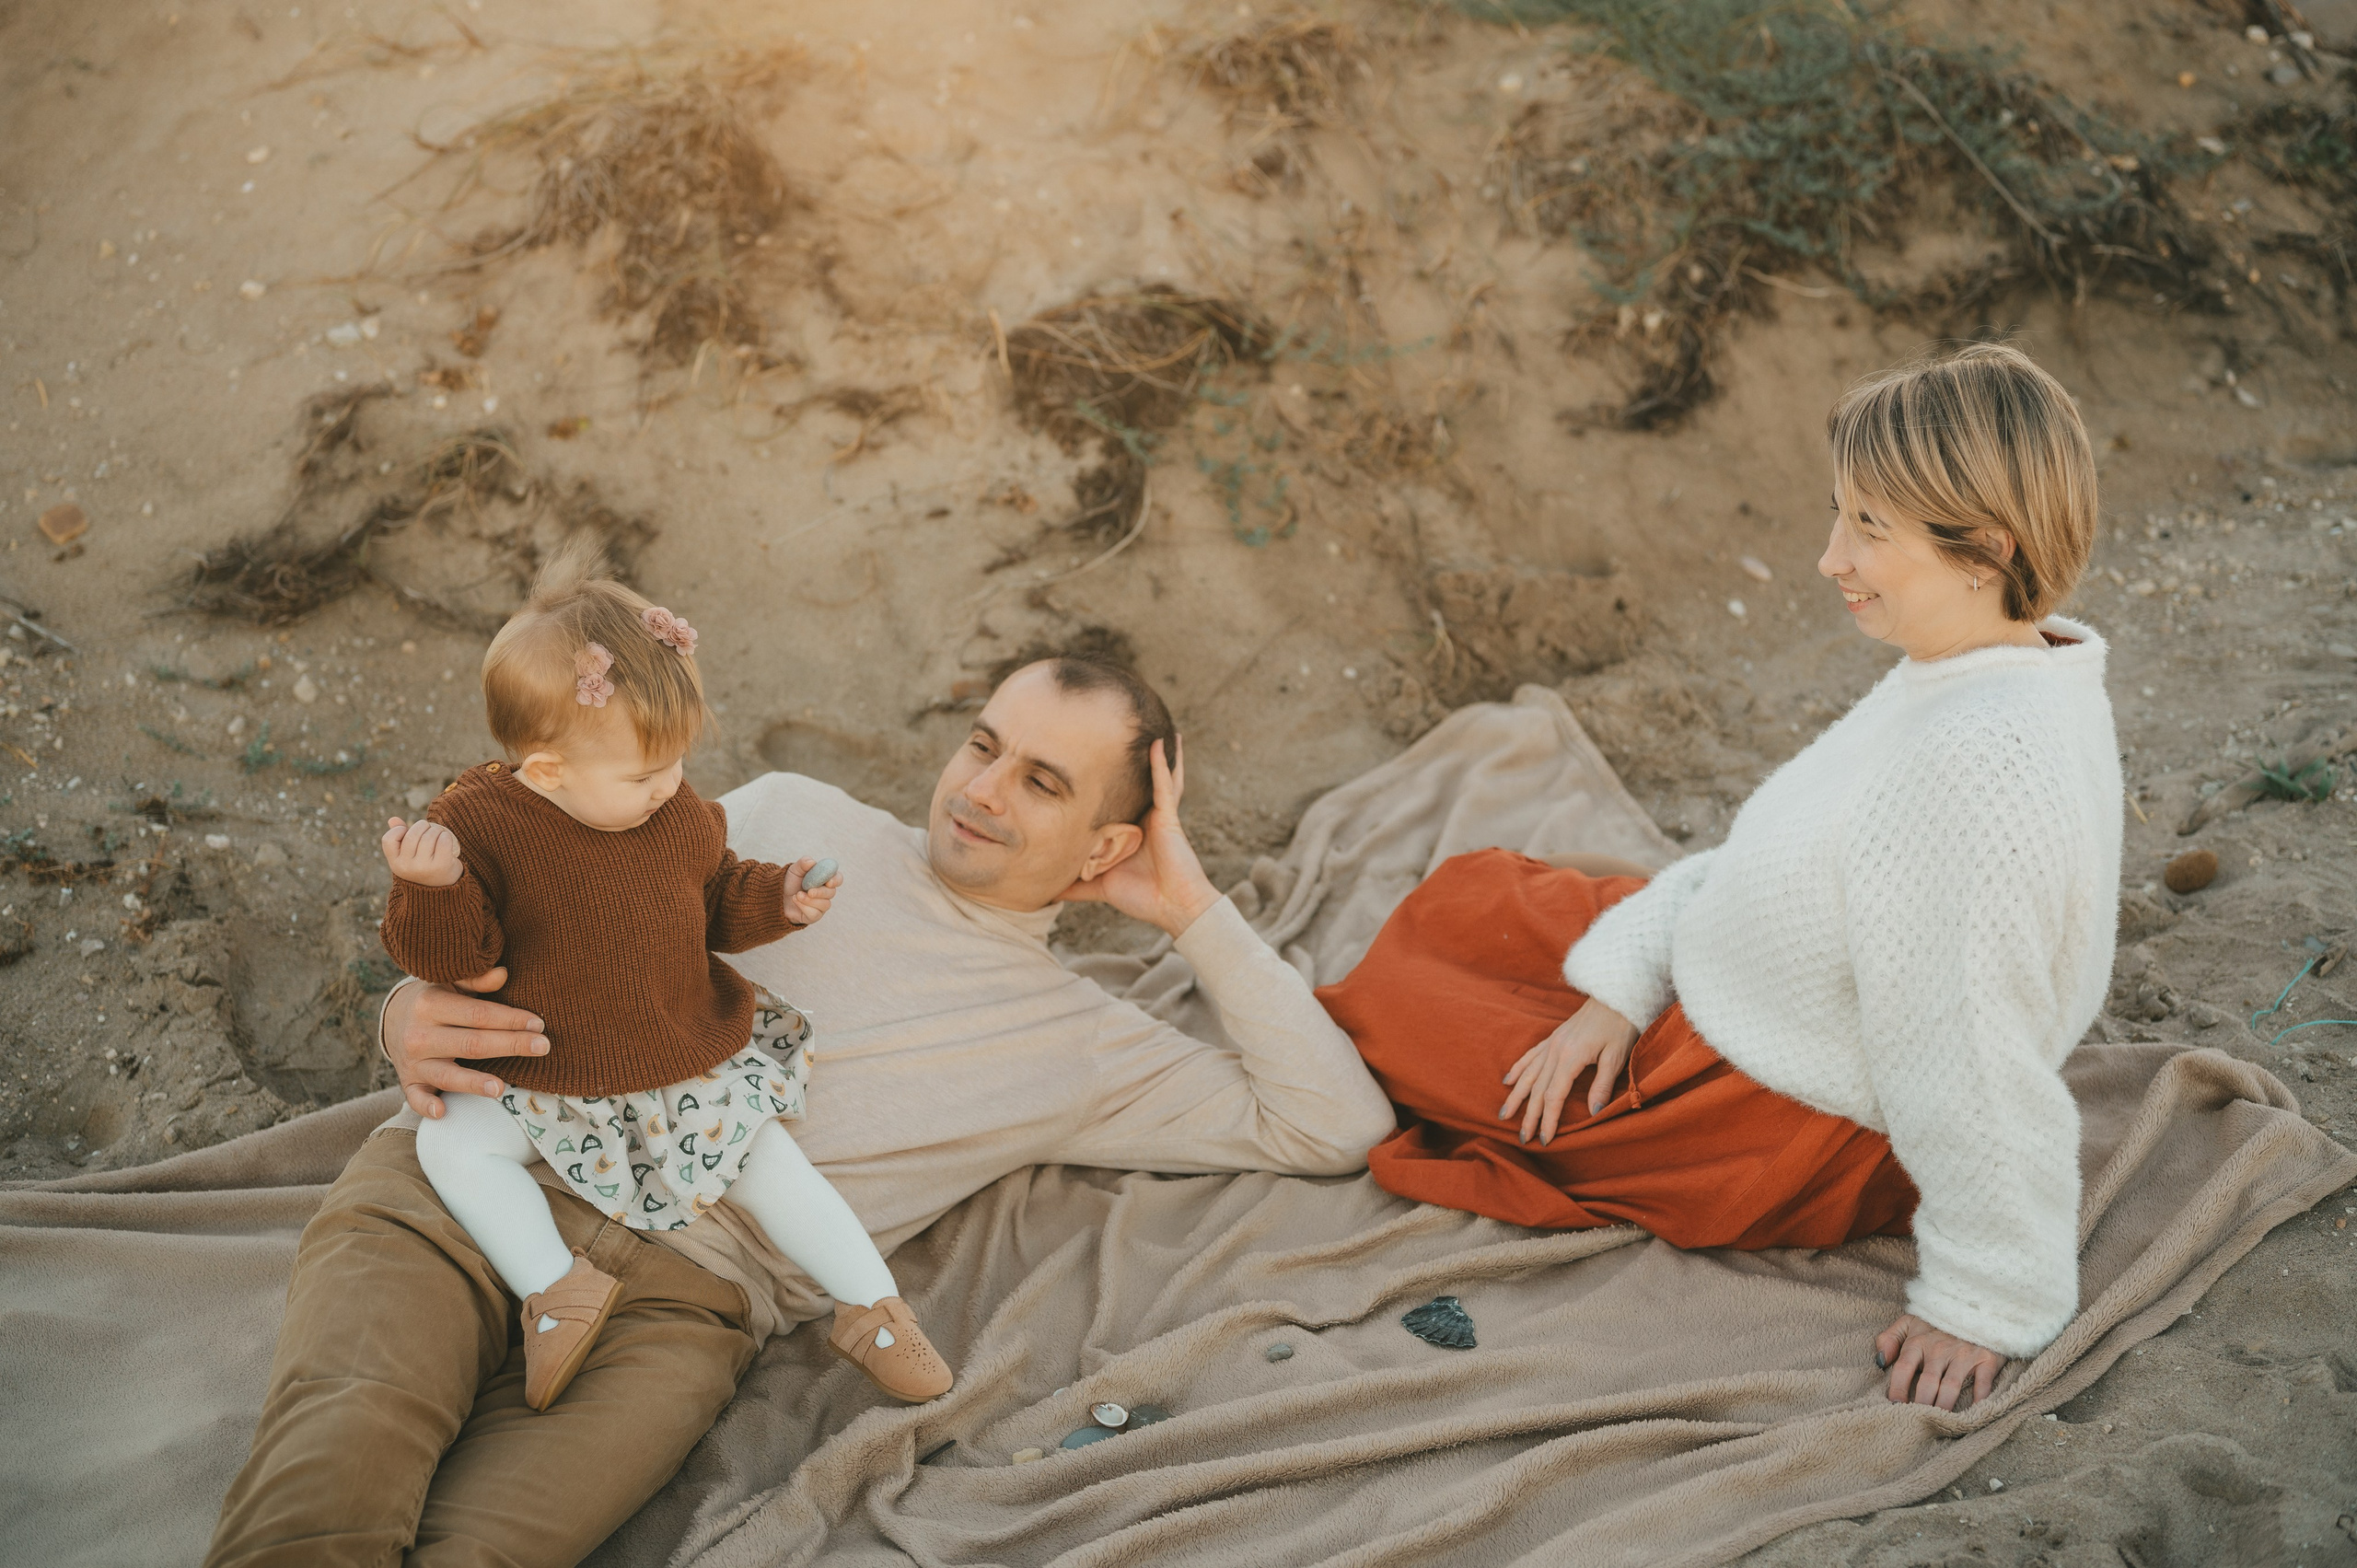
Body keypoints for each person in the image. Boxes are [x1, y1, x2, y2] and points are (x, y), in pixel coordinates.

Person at [204, 654, 1396, 1568]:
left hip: (680, 1305)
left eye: (1042, 781)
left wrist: (1187, 900)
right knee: (336, 1469)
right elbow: (544, 903)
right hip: (491, 1174)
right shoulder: (792, 818)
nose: (981, 788)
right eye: (983, 743)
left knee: (489, 1547)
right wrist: (409, 1004)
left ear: (1111, 840)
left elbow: (1330, 1119)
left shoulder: (1086, 1042)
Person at [1320, 341, 2119, 1413]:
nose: (1829, 558)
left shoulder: (1974, 760)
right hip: (1762, 980)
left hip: (1771, 1111)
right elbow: (1786, 862)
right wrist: (1620, 987)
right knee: (1470, 902)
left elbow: (1969, 1040)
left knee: (1402, 1019)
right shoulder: (1996, 666)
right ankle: (1600, 981)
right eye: (1840, 516)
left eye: (1868, 530)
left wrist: (1982, 1294)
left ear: (1983, 549)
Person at [377, 557, 950, 1413]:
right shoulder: (479, 826)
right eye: (644, 775)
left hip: (675, 1049)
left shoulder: (675, 815)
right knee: (451, 1144)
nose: (671, 787)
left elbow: (713, 897)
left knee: (769, 1163)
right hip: (545, 1063)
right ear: (546, 771)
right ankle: (554, 1291)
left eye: (677, 761)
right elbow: (458, 957)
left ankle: (872, 1307)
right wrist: (431, 885)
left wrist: (779, 897)